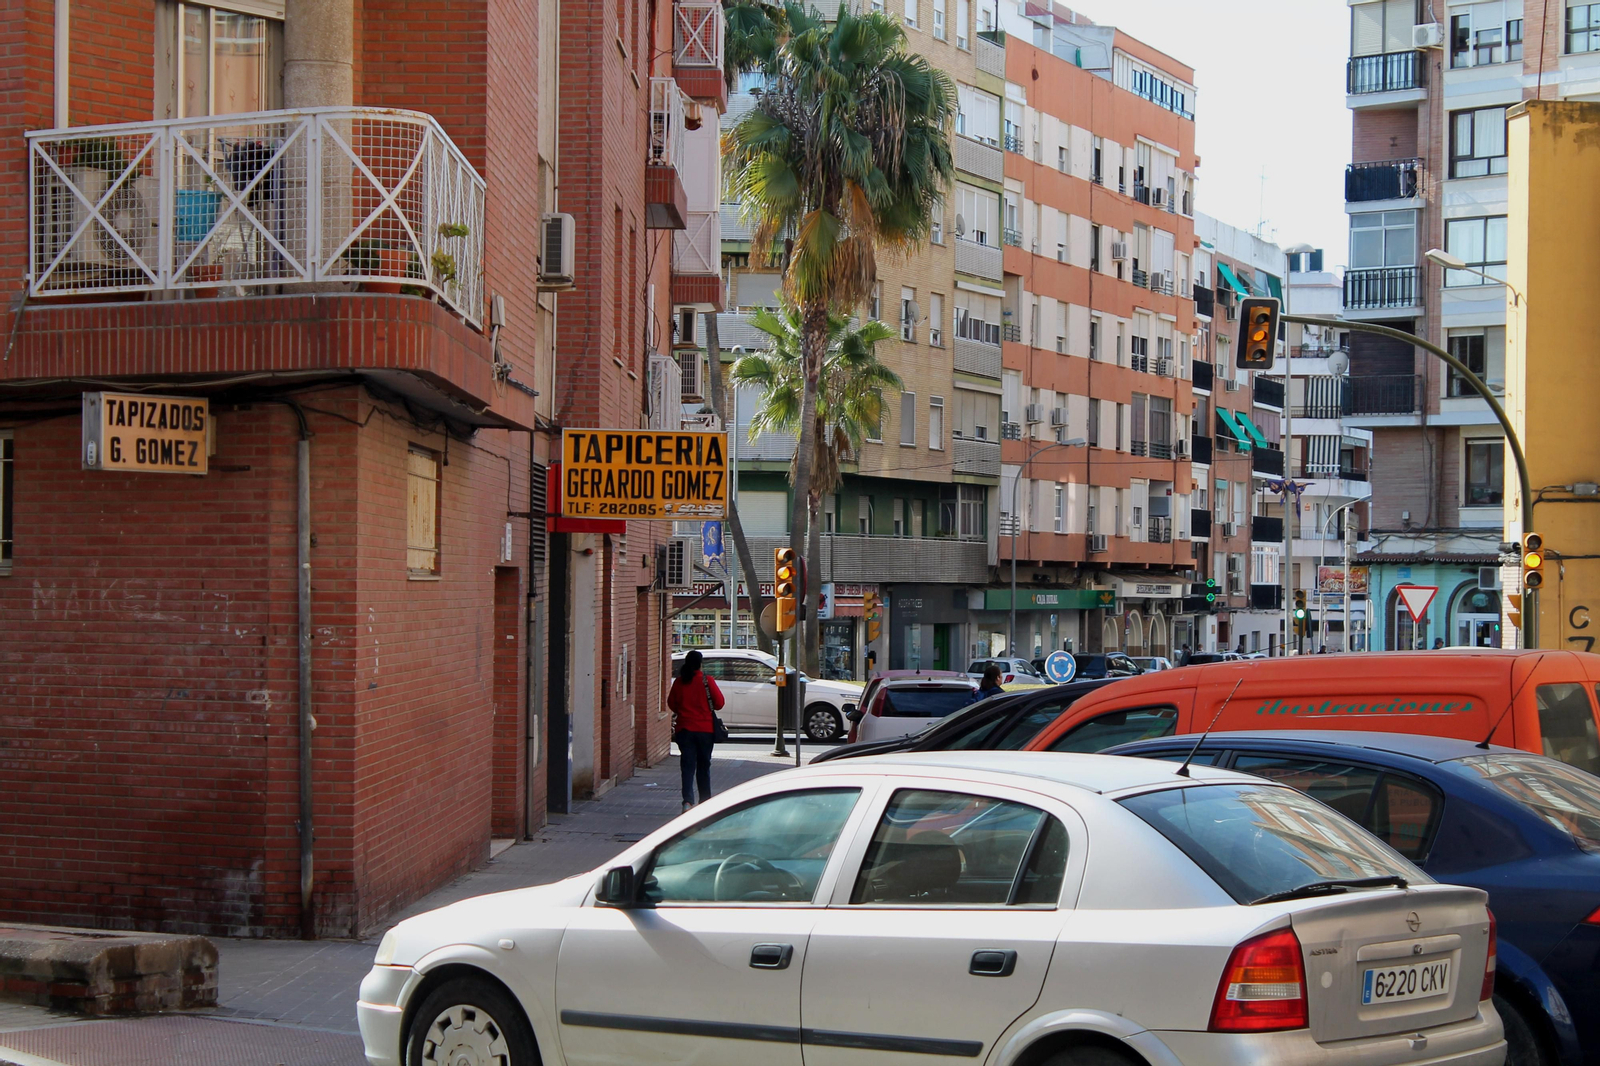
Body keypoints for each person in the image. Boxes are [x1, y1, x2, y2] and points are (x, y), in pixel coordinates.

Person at [667, 650, 723, 812]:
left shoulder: (679, 682)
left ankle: (687, 801)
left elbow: (671, 703)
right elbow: (719, 703)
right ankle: (705, 801)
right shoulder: (707, 681)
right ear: (700, 663)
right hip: (705, 730)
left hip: (685, 729)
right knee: (704, 766)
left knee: (687, 766)